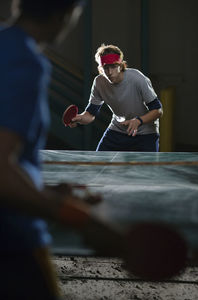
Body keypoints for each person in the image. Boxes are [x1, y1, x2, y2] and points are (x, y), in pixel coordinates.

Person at [0, 1, 99, 299]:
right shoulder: (26, 61)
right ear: (64, 14)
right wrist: (77, 217)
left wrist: (46, 188)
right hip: (12, 240)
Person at [70, 44, 163, 152]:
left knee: (145, 169)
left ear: (121, 65)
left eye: (113, 66)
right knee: (99, 163)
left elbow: (158, 110)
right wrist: (79, 118)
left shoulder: (137, 78)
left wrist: (138, 121)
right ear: (100, 68)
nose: (109, 72)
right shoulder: (99, 82)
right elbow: (91, 114)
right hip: (117, 131)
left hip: (145, 133)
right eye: (105, 67)